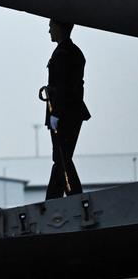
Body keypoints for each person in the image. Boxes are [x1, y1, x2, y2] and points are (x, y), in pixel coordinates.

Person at [41, 19, 91, 200]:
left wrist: (56, 114)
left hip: (64, 113)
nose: (49, 32)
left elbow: (63, 87)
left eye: (51, 27)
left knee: (61, 156)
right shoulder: (73, 52)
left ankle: (73, 197)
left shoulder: (63, 53)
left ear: (60, 28)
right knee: (62, 157)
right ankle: (58, 198)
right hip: (71, 112)